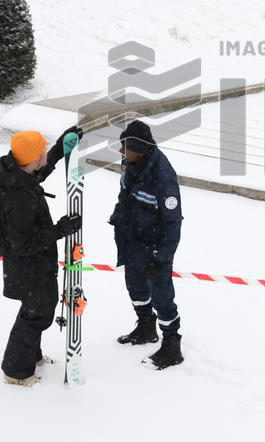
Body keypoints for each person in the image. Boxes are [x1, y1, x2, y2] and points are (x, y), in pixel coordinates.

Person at [0, 126, 82, 387]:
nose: (45, 153)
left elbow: (40, 173)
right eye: (43, 150)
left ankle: (30, 357)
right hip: (28, 268)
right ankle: (16, 372)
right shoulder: (18, 197)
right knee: (36, 317)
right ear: (33, 157)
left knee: (35, 312)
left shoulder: (20, 175)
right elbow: (22, 244)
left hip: (34, 266)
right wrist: (59, 230)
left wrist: (59, 149)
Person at [108, 120, 184, 370]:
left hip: (155, 247)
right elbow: (125, 194)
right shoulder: (129, 163)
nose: (121, 152)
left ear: (139, 148)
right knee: (135, 286)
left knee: (162, 296)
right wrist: (119, 214)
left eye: (126, 147)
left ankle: (171, 346)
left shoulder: (163, 175)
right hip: (133, 240)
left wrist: (162, 256)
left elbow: (173, 221)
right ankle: (145, 327)